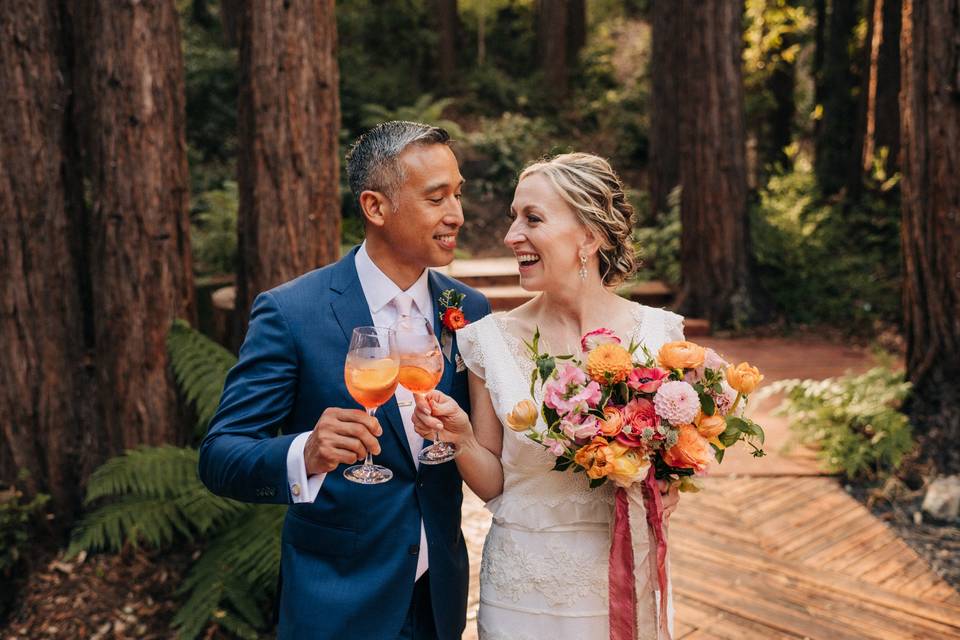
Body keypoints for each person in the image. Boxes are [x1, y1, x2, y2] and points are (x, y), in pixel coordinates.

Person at [199, 121, 491, 639]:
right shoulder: (291, 312)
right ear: (375, 208)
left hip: (439, 599)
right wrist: (305, 453)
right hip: (337, 604)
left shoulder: (467, 307)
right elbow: (220, 456)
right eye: (436, 198)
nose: (457, 216)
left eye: (458, 194)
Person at [413, 152, 682, 638]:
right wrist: (463, 440)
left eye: (532, 218)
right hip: (521, 591)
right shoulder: (487, 340)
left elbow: (671, 470)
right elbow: (494, 484)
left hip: (622, 582)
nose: (512, 235)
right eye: (513, 217)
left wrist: (668, 483)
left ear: (589, 236)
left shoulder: (661, 337)